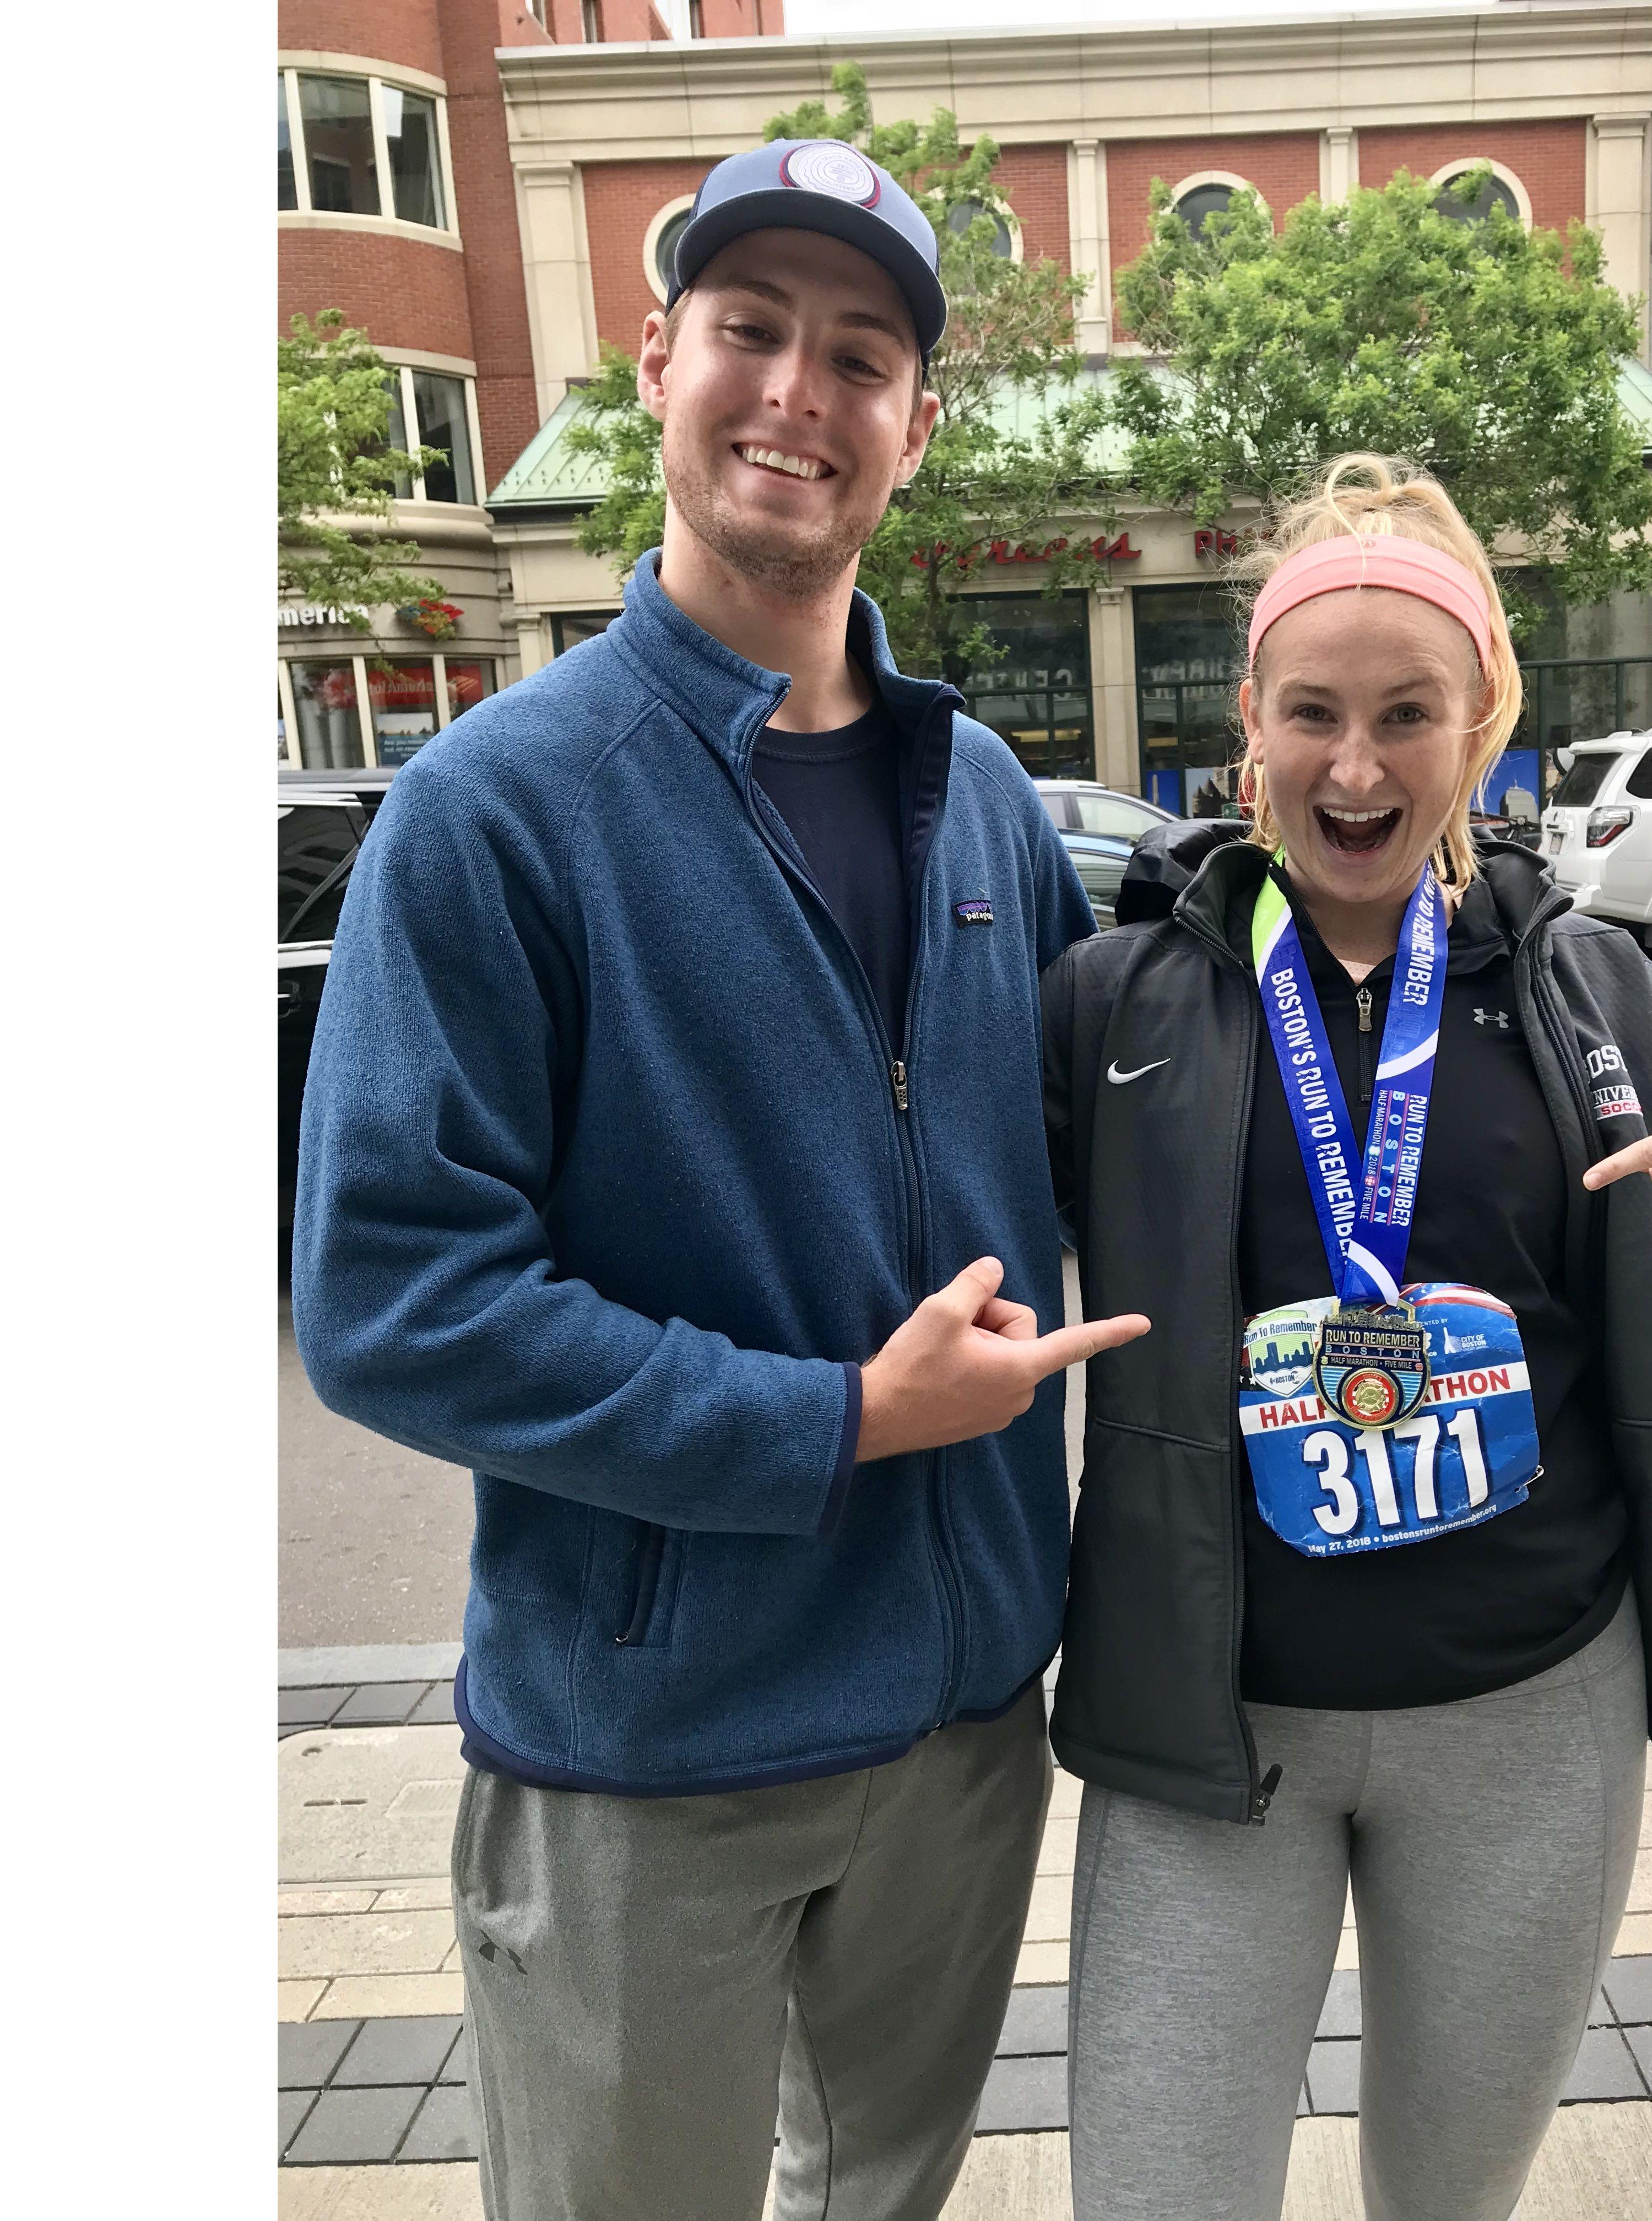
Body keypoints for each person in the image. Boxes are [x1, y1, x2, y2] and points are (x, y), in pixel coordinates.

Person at [291, 138, 1145, 2221]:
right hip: (650, 1752)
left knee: (884, 2196)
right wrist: (838, 1420)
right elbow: (397, 1303)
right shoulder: (497, 813)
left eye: (858, 355)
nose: (797, 390)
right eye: (750, 330)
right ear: (654, 365)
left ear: (915, 429)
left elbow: (1128, 1160)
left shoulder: (985, 812)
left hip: (962, 1725)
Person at [1040, 455, 1652, 2221]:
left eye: (1408, 714)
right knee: (1157, 2186)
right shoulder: (1119, 1002)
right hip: (1216, 1728)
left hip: (1530, 1718)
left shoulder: (1600, 997)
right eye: (1315, 714)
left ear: (1481, 723)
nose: (1358, 766)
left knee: (1452, 2193)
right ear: (1249, 729)